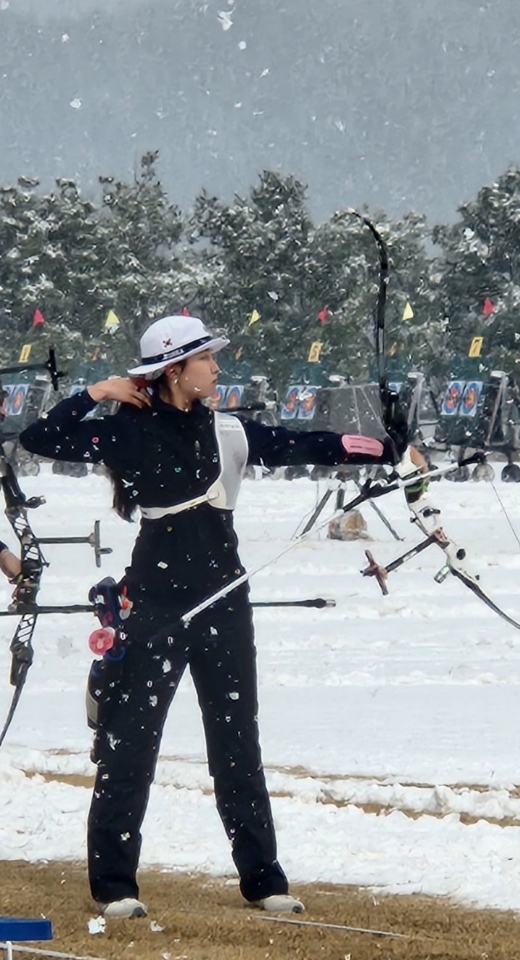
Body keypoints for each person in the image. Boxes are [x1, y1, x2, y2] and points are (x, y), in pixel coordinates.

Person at [20, 315, 406, 920]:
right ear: (175, 370)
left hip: (225, 605)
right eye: (206, 361)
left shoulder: (226, 429)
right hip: (153, 607)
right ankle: (116, 886)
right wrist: (96, 392)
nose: (217, 370)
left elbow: (297, 445)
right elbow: (39, 438)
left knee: (237, 745)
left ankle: (262, 879)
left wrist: (382, 445)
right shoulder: (125, 434)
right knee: (130, 750)